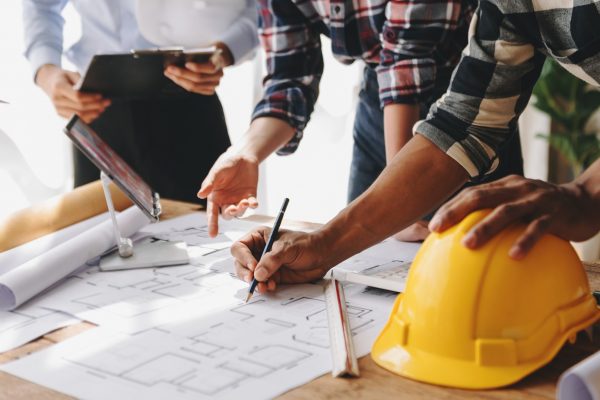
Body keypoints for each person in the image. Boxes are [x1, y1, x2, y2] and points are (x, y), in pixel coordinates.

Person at [230, 0, 600, 294]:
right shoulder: (507, 5)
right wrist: (324, 245)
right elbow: (464, 124)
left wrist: (586, 194)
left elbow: (406, 59)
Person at [198, 0, 525, 240]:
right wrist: (247, 152)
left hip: (467, 105)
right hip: (378, 106)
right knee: (368, 268)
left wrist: (398, 206)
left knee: (481, 270)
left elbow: (405, 61)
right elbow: (290, 77)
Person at [23, 0, 258, 204]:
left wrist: (225, 50)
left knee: (212, 244)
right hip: (94, 111)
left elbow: (265, 10)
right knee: (94, 248)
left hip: (187, 103)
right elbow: (40, 5)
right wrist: (46, 71)